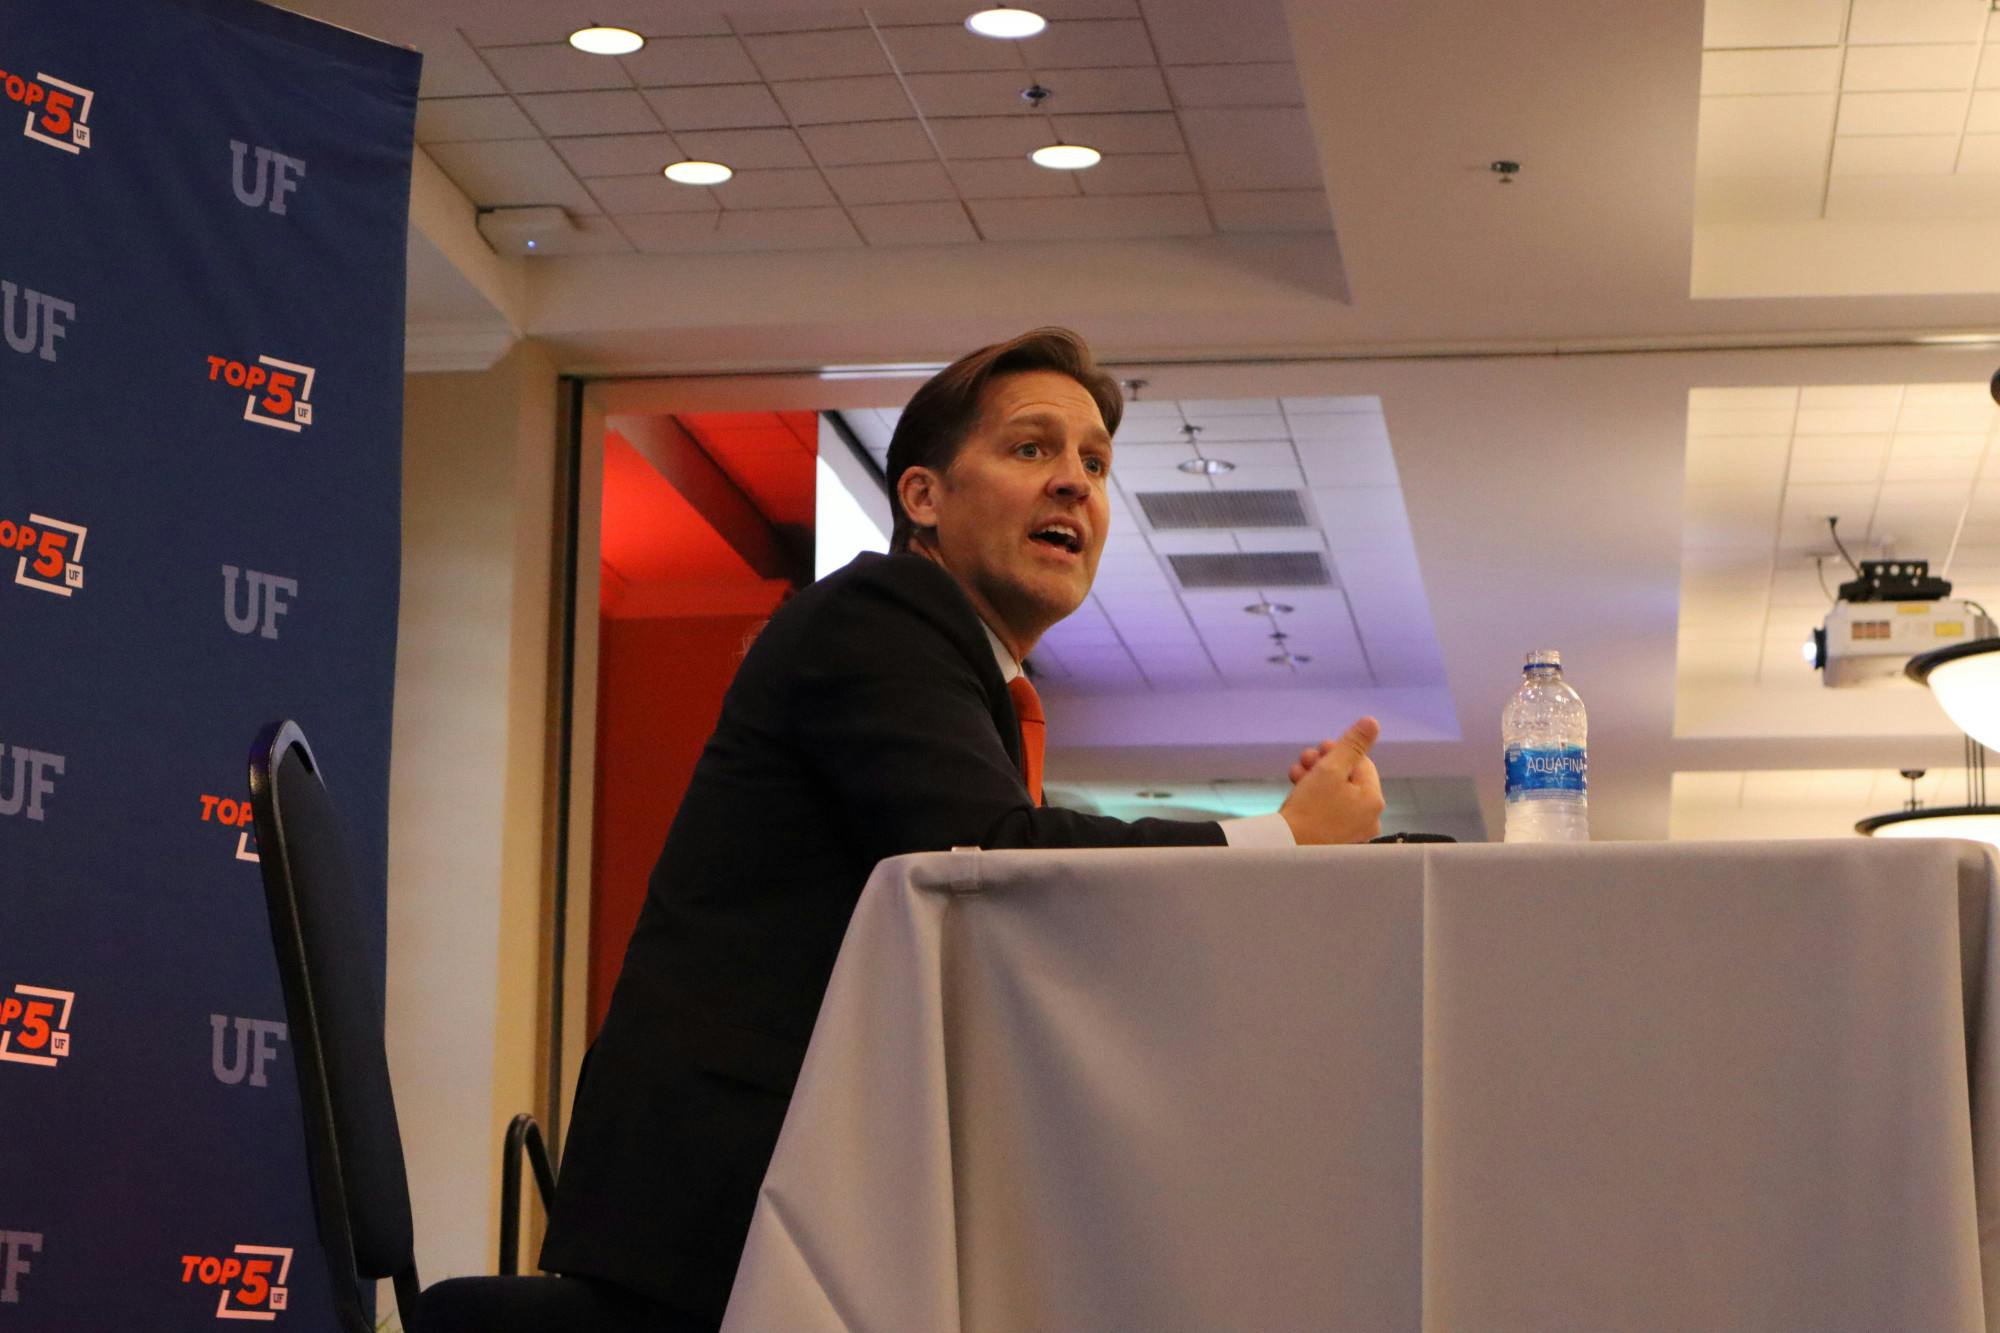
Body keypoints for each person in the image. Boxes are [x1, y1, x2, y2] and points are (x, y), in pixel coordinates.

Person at [539, 328, 1385, 1329]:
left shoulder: (969, 677)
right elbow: (986, 859)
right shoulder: (877, 614)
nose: (1074, 482)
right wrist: (1277, 842)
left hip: (798, 1198)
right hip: (721, 1219)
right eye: (1032, 449)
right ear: (922, 498)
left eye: (1094, 462)